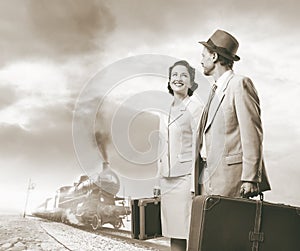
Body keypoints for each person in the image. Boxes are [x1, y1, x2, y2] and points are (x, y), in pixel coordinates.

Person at [195, 29, 271, 198]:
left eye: (203, 55)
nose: (201, 61)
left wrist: (250, 178)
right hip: (206, 178)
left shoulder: (239, 84)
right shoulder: (213, 91)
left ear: (214, 57)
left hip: (231, 179)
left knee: (230, 224)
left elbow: (252, 134)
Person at [157, 60, 203, 251]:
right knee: (173, 234)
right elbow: (161, 147)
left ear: (191, 83)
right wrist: (157, 181)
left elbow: (199, 147)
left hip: (185, 180)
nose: (178, 79)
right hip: (167, 180)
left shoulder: (195, 107)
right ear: (169, 81)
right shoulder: (164, 110)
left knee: (188, 233)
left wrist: (195, 185)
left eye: (184, 75)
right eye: (174, 75)